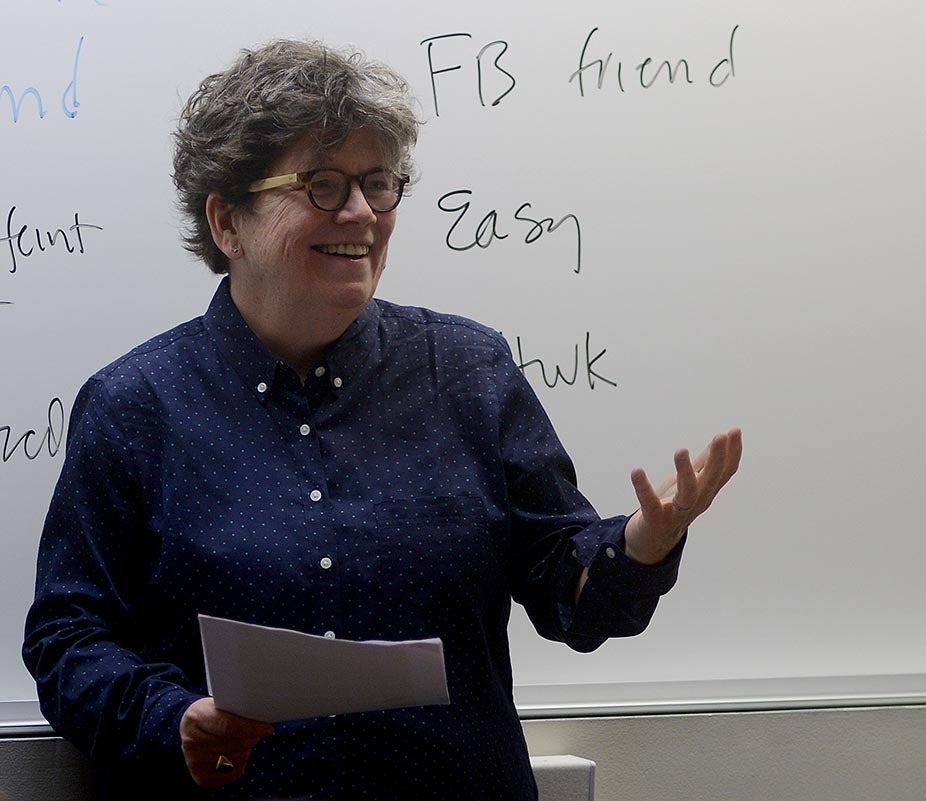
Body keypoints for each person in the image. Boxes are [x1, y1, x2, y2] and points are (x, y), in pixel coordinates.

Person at [23, 39, 741, 799]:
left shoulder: (467, 370)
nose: (362, 213)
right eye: (323, 185)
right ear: (227, 221)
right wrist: (172, 716)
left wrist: (638, 545)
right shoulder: (137, 405)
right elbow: (68, 640)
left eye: (378, 183)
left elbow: (570, 592)